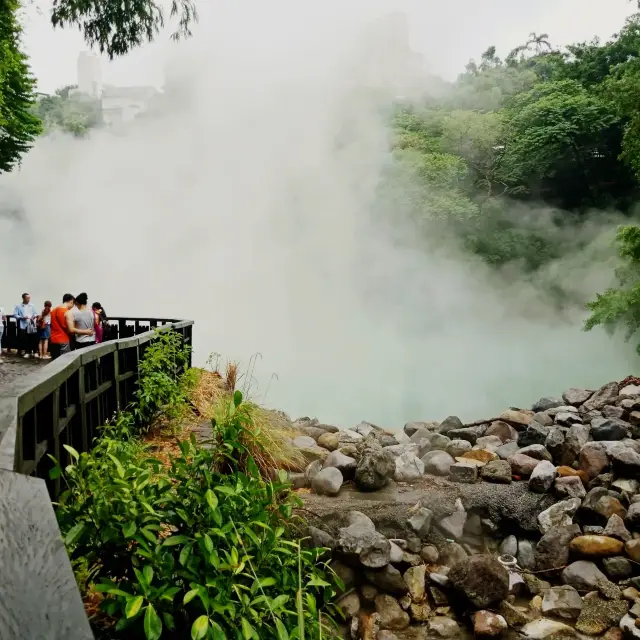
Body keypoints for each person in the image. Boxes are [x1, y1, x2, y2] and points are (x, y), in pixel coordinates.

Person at [50, 294, 76, 360]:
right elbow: (68, 329)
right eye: (73, 304)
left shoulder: (53, 310)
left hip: (53, 340)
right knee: (64, 362)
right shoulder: (66, 311)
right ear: (71, 301)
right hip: (63, 340)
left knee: (55, 362)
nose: (72, 306)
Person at [14, 293, 37, 358]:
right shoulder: (18, 306)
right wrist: (22, 317)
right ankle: (27, 352)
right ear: (23, 298)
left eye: (29, 298)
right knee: (25, 339)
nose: (29, 299)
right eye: (27, 298)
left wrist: (33, 316)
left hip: (31, 323)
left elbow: (35, 313)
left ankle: (34, 352)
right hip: (23, 324)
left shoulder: (32, 305)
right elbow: (15, 315)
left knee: (33, 338)